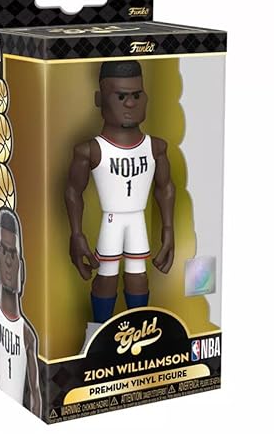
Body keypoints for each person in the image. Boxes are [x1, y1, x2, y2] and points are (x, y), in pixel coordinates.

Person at [65, 60, 175, 347]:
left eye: (136, 95)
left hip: (136, 219)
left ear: (146, 98)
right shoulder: (91, 149)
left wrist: (168, 230)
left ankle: (138, 338)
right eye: (121, 96)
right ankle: (98, 338)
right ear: (100, 99)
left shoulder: (156, 147)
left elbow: (165, 187)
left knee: (138, 276)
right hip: (112, 219)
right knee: (107, 275)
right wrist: (76, 234)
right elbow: (73, 190)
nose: (130, 103)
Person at [0, 208, 42, 417]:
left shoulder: (28, 335)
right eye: (3, 251)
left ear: (22, 268)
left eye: (13, 254)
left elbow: (36, 394)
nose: (8, 261)